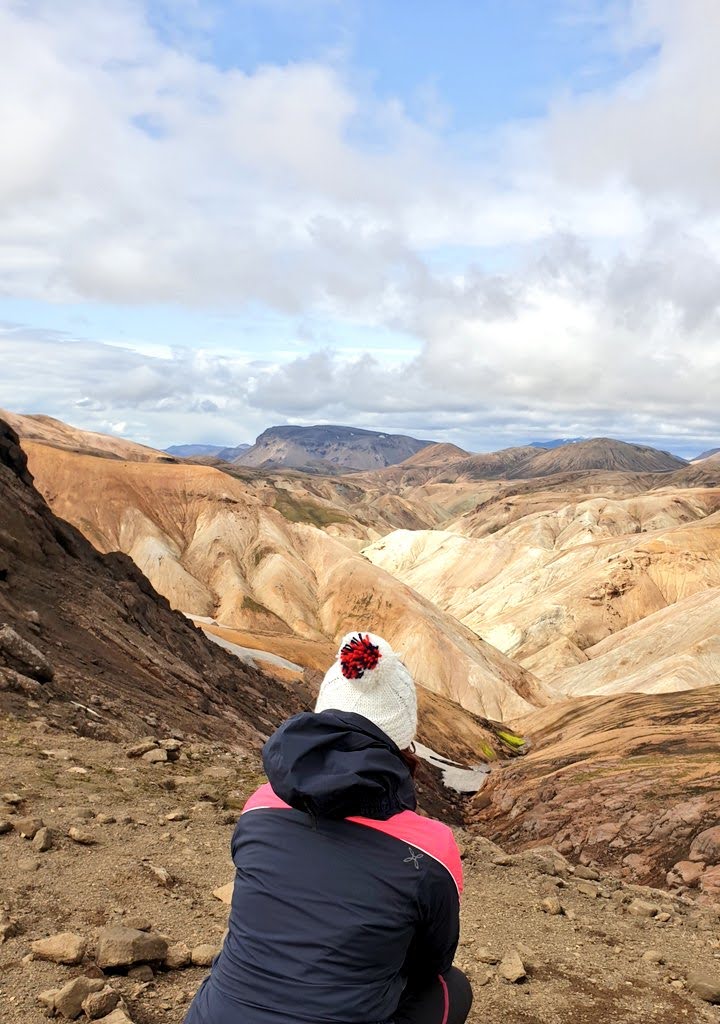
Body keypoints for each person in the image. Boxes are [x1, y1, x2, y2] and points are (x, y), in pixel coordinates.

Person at [184, 631, 473, 1024]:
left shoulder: (259, 805)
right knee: (450, 989)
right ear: (406, 745)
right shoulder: (431, 847)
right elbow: (432, 961)